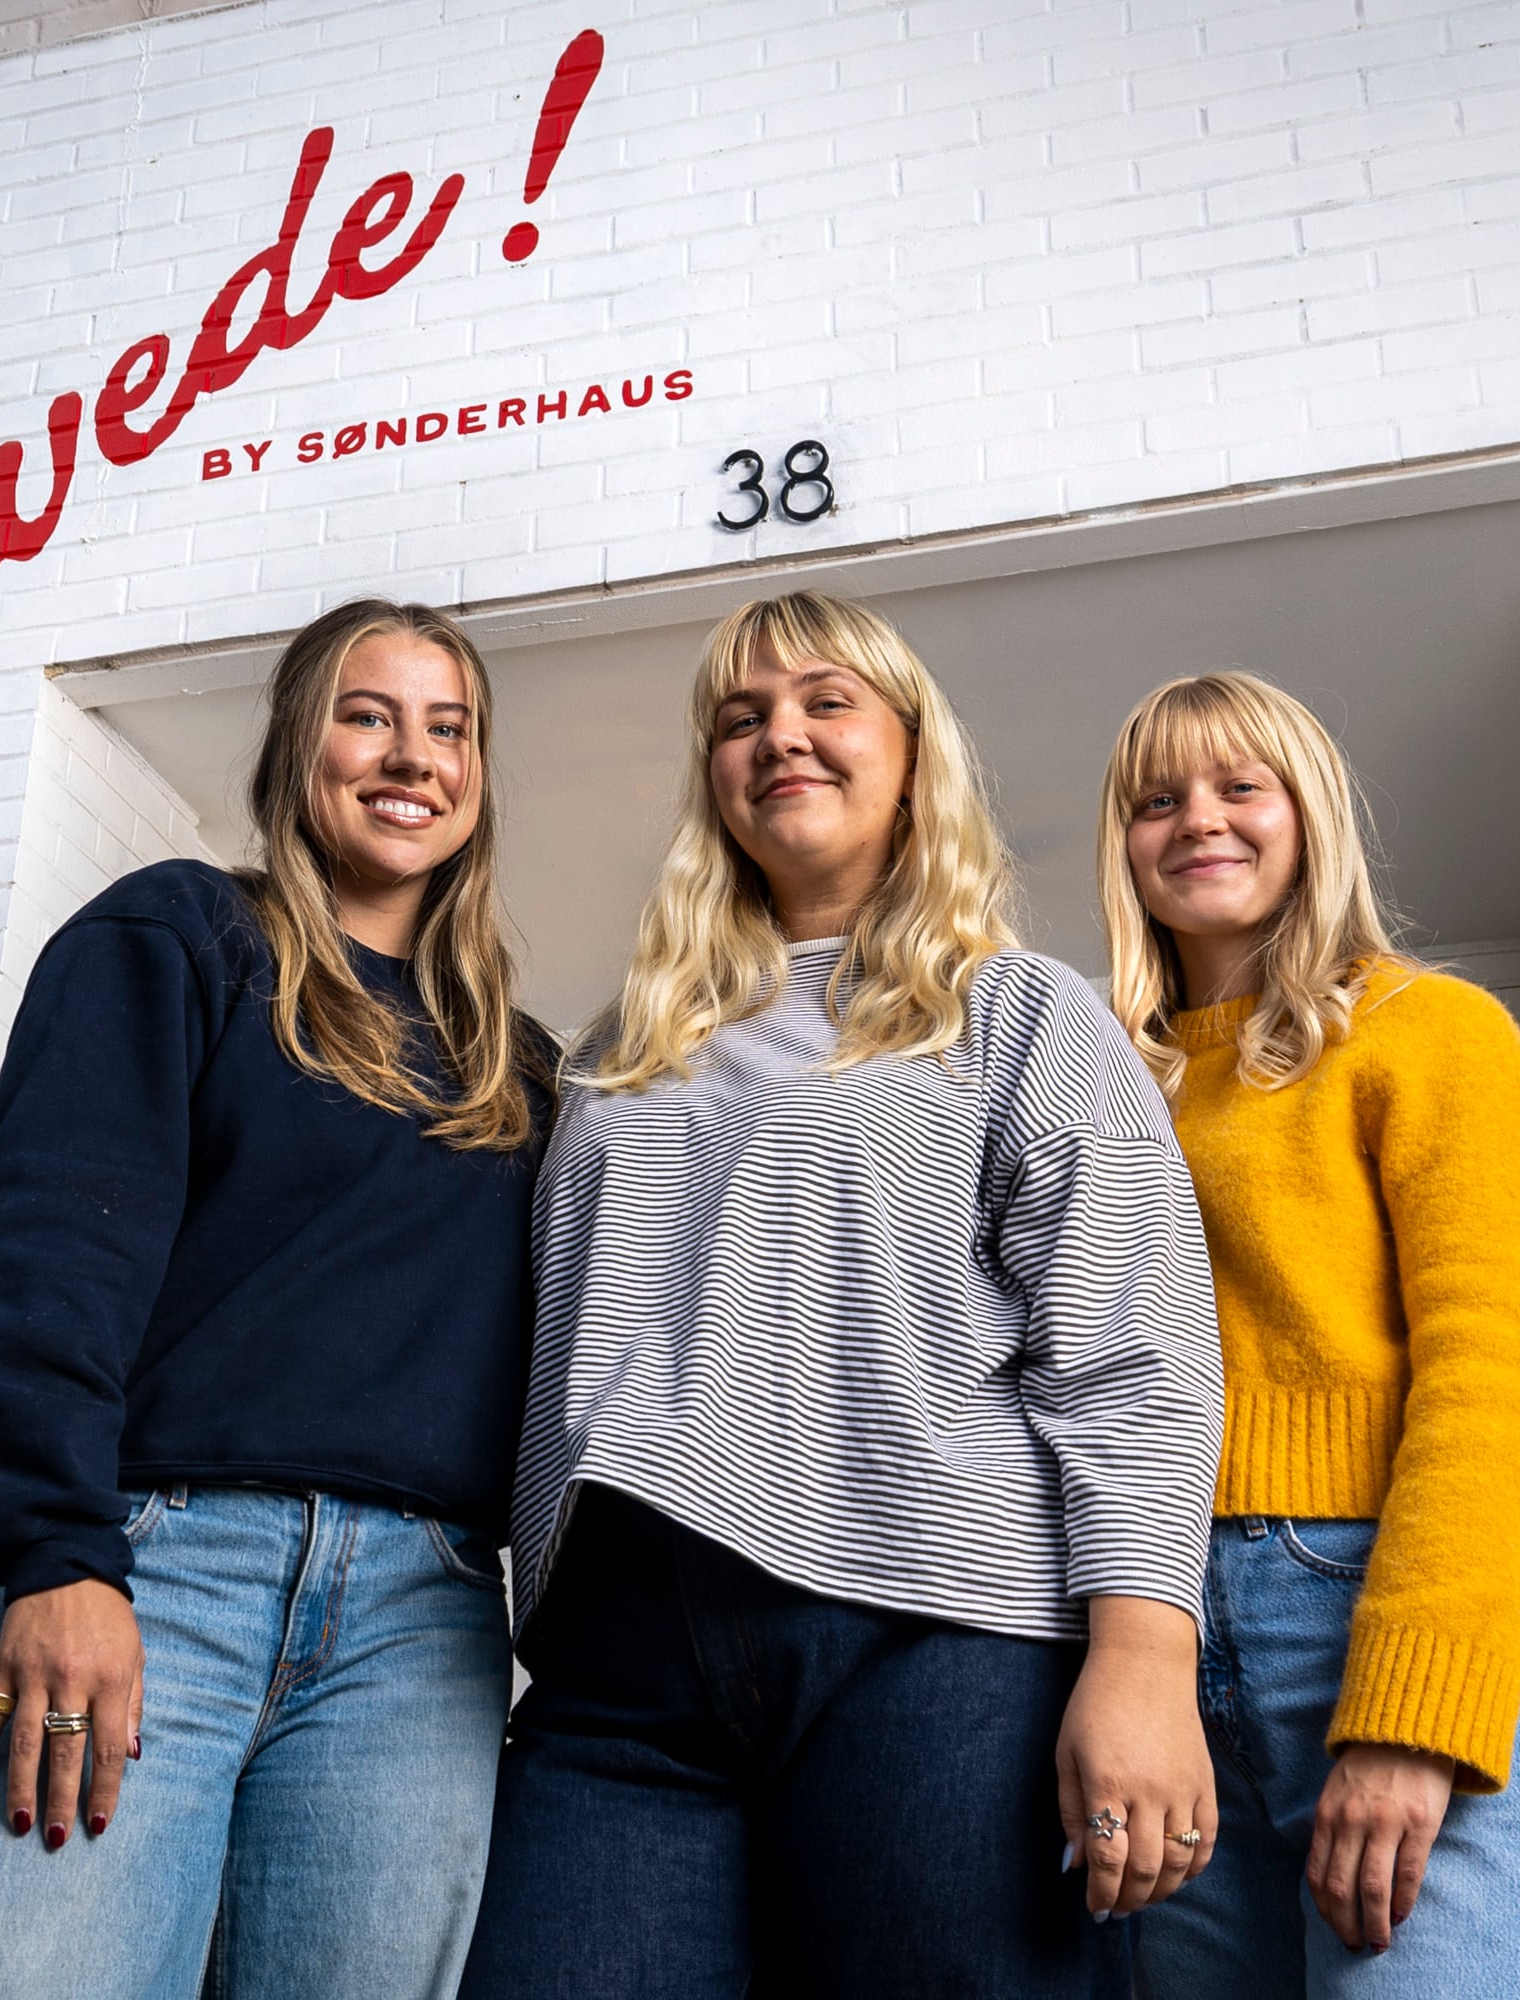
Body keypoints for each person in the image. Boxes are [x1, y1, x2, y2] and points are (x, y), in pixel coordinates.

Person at [459, 590, 1228, 2000]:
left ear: (912, 751)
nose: (781, 737)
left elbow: (1134, 1353)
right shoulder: (626, 1044)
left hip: (934, 1656)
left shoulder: (1021, 1012)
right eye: (741, 719)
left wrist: (1143, 1659)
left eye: (827, 703)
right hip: (620, 1684)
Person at [0, 601, 555, 2000]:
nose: (410, 756)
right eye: (369, 715)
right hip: (150, 1569)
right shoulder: (183, 937)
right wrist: (56, 1555)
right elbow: (41, 1254)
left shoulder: (522, 1071)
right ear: (300, 744)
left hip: (422, 1636)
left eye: (450, 727)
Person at [1097, 671, 1520, 1998]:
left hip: (1366, 1608)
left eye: (1238, 786)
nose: (1198, 819)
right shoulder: (1100, 1085)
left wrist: (1410, 1718)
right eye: (1159, 798)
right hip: (1156, 1643)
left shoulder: (1427, 1033)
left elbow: (1494, 1389)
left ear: (1308, 814)